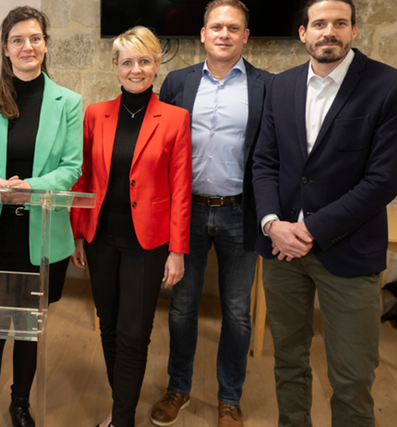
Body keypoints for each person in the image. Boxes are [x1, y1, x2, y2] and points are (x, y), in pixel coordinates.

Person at [251, 0, 397, 426]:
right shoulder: (280, 86)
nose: (330, 31)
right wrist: (272, 224)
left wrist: (308, 230)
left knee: (352, 376)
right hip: (282, 252)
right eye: (319, 23)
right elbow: (264, 163)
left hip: (348, 252)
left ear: (354, 31)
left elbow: (382, 182)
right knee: (287, 361)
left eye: (340, 23)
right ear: (303, 32)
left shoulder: (390, 86)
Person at [0, 6, 82, 427]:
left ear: (45, 45)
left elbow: (71, 167)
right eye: (17, 40)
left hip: (41, 234)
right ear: (6, 49)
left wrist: (29, 187)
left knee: (28, 334)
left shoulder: (70, 102)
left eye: (35, 38)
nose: (27, 46)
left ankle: (20, 405)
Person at [153, 1, 273, 426]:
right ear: (202, 34)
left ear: (245, 36)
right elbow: (160, 149)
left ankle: (229, 397)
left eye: (233, 28)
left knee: (238, 311)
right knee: (182, 306)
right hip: (187, 213)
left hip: (241, 214)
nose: (224, 34)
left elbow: (271, 156)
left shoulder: (267, 86)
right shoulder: (176, 82)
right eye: (216, 27)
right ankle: (178, 388)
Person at [70, 26, 192, 427]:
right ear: (115, 67)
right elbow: (84, 179)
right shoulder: (94, 114)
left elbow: (180, 190)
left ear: (156, 65)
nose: (135, 69)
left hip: (149, 242)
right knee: (108, 325)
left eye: (144, 61)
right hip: (101, 237)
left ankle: (121, 417)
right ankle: (120, 403)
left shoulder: (175, 119)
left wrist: (177, 249)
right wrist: (78, 234)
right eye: (127, 62)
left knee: (133, 334)